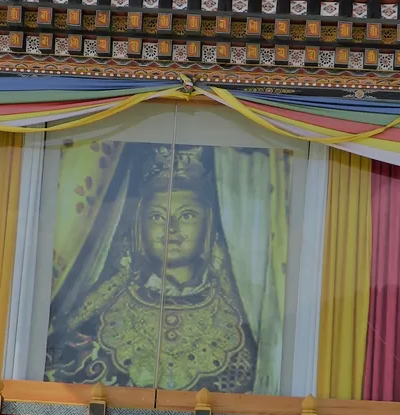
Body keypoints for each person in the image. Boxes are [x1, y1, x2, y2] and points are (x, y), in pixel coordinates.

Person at [46, 144, 257, 391]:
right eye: (157, 216)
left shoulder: (239, 325)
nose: (171, 228)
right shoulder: (95, 317)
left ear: (209, 227)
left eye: (187, 215)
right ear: (138, 228)